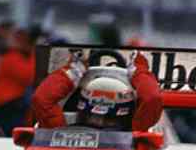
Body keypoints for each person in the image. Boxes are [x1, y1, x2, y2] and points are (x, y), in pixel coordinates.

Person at [30, 50, 162, 131]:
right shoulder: (58, 131)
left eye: (109, 120)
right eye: (92, 118)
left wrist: (139, 71)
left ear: (125, 119)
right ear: (81, 113)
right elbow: (41, 99)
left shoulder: (136, 136)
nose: (99, 125)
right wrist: (74, 71)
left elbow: (152, 99)